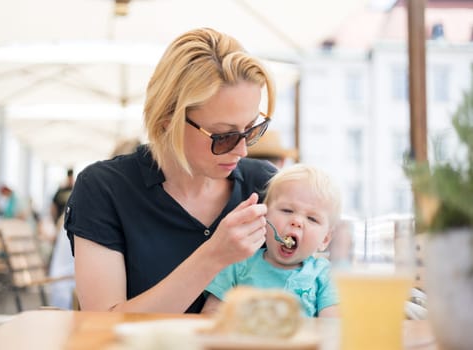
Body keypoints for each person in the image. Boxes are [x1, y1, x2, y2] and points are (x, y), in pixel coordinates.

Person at [65, 27, 277, 313]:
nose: (243, 150)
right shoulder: (104, 189)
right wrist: (213, 256)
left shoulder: (265, 184)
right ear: (168, 120)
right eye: (223, 136)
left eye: (252, 129)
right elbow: (102, 326)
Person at [202, 164, 341, 317]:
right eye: (287, 210)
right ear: (264, 215)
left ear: (325, 239)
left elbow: (332, 326)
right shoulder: (236, 264)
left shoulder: (324, 274)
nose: (297, 221)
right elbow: (211, 314)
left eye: (312, 219)